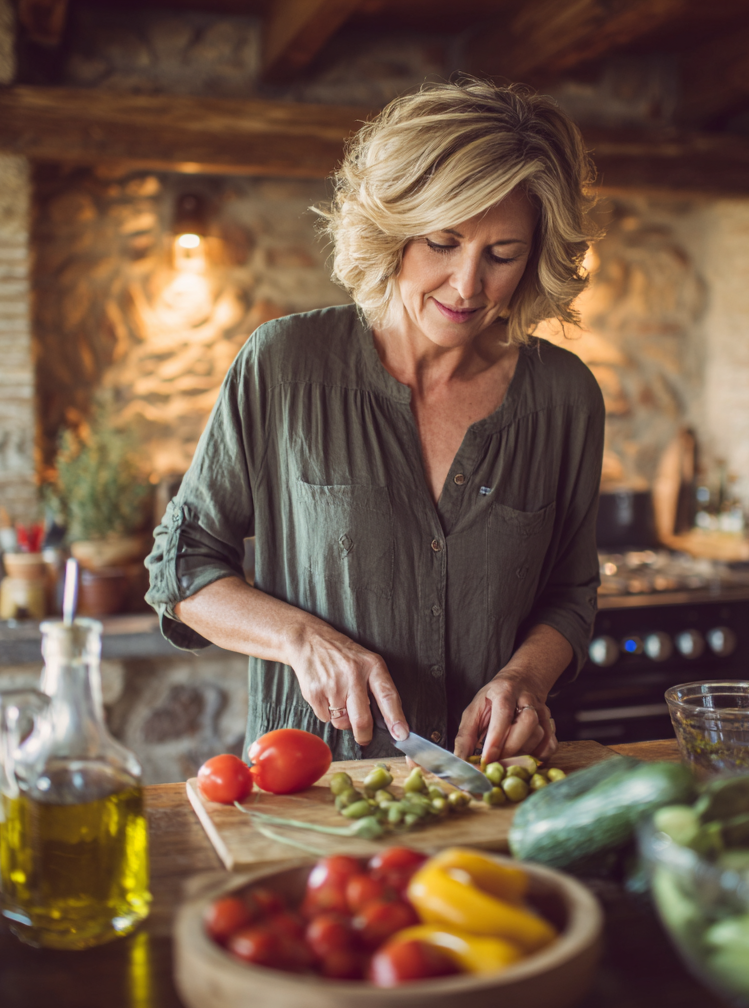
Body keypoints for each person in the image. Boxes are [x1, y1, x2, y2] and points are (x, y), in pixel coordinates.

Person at [145, 78, 605, 767]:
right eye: (443, 242)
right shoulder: (284, 367)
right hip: (312, 787)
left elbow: (569, 593)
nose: (467, 285)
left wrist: (525, 679)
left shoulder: (565, 399)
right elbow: (179, 567)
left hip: (488, 793)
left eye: (501, 255)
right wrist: (300, 639)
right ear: (393, 228)